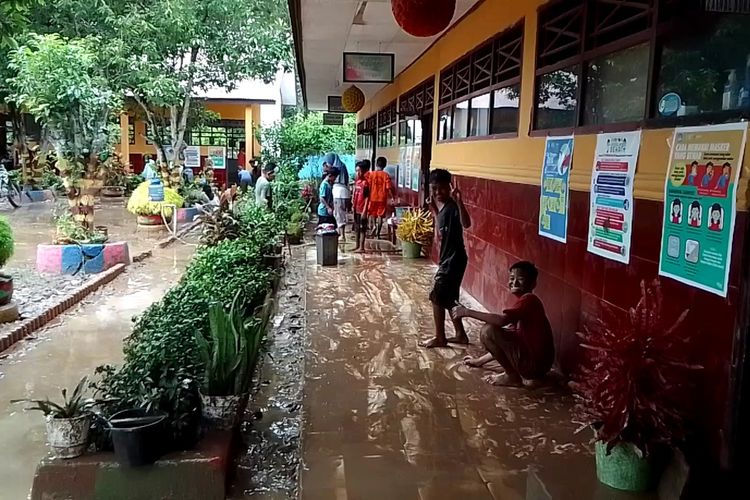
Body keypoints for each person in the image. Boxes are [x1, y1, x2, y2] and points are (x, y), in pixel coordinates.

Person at [455, 261, 555, 387]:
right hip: (538, 366)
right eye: (512, 278)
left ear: (533, 283)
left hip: (534, 366)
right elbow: (505, 344)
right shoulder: (526, 301)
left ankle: (511, 376)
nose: (514, 283)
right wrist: (479, 361)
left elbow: (502, 321)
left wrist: (467, 311)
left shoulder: (528, 300)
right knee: (498, 333)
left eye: (521, 279)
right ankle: (512, 374)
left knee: (488, 331)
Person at [421, 169, 472, 349]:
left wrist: (460, 202)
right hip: (448, 259)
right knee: (450, 298)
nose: (437, 193)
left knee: (437, 296)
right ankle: (460, 335)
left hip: (454, 259)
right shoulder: (441, 208)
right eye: (434, 189)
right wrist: (434, 210)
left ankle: (440, 337)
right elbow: (440, 234)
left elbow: (467, 224)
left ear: (449, 188)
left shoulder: (452, 206)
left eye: (441, 189)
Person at [323, 153, 351, 243]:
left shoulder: (337, 168)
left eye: (327, 163)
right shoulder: (341, 166)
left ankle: (342, 235)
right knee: (339, 213)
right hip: (343, 193)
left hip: (339, 193)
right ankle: (340, 232)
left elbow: (330, 175)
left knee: (339, 214)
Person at [368, 157, 394, 239]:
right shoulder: (386, 175)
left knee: (372, 214)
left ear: (376, 164)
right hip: (382, 198)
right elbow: (388, 188)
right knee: (380, 216)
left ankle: (373, 227)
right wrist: (392, 197)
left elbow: (368, 186)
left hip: (372, 197)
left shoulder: (371, 174)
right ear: (385, 165)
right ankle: (378, 234)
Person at [352, 160, 371, 252]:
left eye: (359, 171)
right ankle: (357, 245)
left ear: (363, 171)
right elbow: (354, 194)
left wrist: (364, 211)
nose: (357, 173)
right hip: (356, 208)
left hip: (362, 209)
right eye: (356, 171)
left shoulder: (365, 183)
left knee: (362, 228)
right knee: (356, 227)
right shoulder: (357, 182)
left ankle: (362, 247)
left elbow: (367, 197)